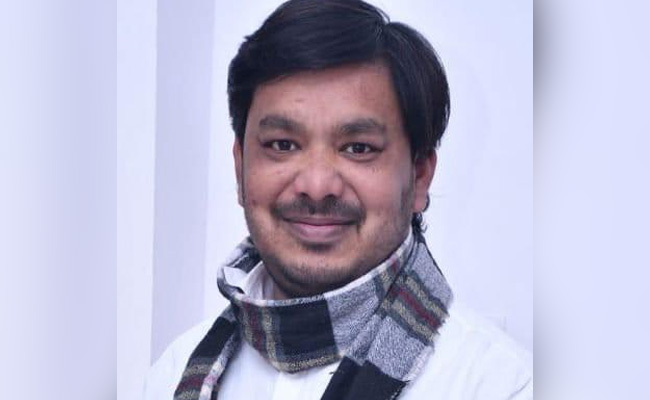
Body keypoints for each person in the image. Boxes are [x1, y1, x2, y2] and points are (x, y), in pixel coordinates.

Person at [145, 0, 532, 399]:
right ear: (240, 166)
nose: (316, 185)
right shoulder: (172, 375)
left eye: (358, 148)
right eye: (282, 144)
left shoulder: (501, 386)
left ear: (419, 176)